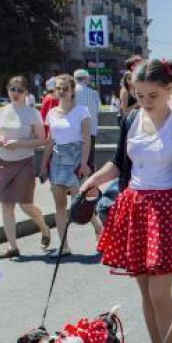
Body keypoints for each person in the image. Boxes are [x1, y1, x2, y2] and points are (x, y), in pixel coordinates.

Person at [81, 59, 172, 343]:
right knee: (145, 296)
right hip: (133, 209)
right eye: (139, 94)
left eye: (152, 95)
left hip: (167, 211)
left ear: (169, 89)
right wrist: (95, 178)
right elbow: (120, 161)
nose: (145, 101)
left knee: (159, 295)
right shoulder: (132, 118)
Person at [0, 76, 49, 259]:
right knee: (6, 205)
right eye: (12, 89)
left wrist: (18, 143)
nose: (15, 93)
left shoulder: (32, 113)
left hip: (24, 162)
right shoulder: (2, 111)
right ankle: (12, 246)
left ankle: (44, 226)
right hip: (2, 162)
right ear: (7, 90)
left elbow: (42, 140)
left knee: (25, 204)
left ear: (26, 92)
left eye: (19, 90)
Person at [40, 75, 92, 257]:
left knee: (80, 204)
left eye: (65, 88)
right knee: (60, 205)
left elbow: (86, 140)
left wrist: (84, 163)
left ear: (72, 91)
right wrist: (43, 166)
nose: (61, 91)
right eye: (58, 88)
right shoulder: (52, 113)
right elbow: (49, 142)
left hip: (76, 159)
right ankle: (64, 246)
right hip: (57, 160)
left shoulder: (82, 111)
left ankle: (99, 228)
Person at [73, 69, 104, 238]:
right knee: (89, 164)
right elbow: (97, 110)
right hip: (91, 132)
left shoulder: (73, 93)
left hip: (75, 134)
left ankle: (82, 186)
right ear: (86, 79)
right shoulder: (92, 93)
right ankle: (89, 186)